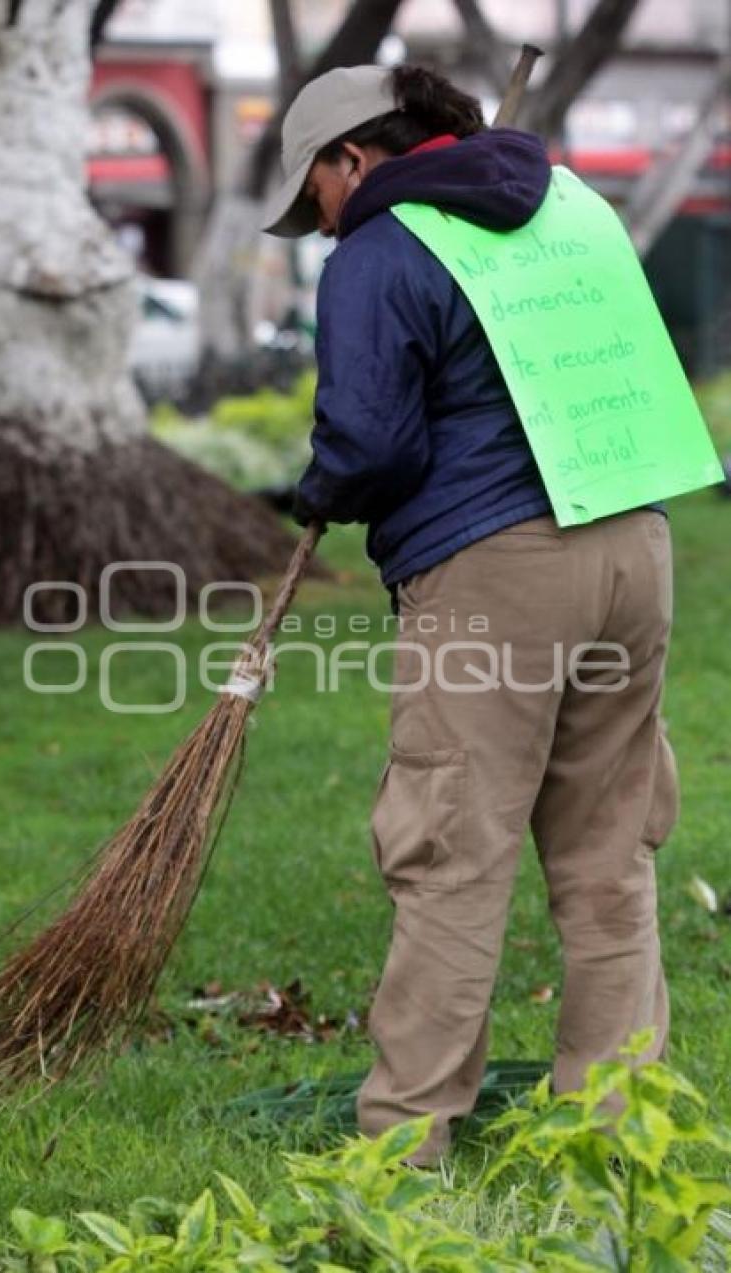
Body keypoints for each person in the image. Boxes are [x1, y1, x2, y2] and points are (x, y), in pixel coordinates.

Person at [262, 63, 680, 1167]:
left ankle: (402, 1154)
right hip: (633, 542)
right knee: (608, 850)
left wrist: (317, 493)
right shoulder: (569, 205)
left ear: (355, 154)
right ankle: (616, 1131)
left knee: (449, 849)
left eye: (315, 193)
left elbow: (372, 444)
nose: (318, 222)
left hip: (494, 570)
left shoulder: (381, 249)